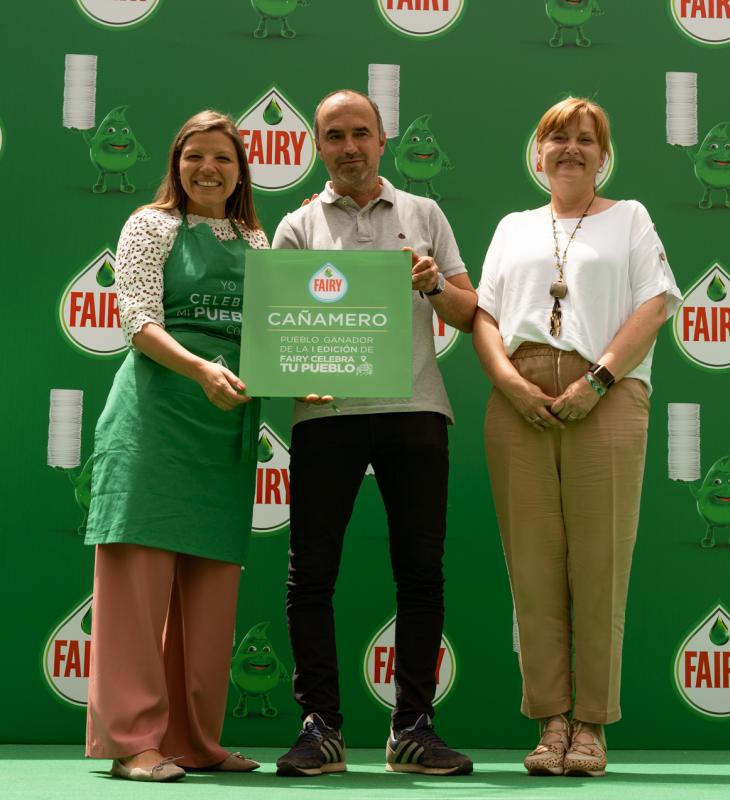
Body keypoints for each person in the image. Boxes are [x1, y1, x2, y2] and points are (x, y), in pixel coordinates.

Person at [472, 97, 681, 777]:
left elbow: (656, 303)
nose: (570, 149)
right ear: (538, 153)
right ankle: (550, 723)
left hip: (606, 394)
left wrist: (599, 379)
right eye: (557, 137)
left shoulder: (630, 218)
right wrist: (510, 384)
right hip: (520, 400)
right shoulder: (512, 227)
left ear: (603, 155)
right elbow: (485, 317)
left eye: (585, 139)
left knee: (599, 566)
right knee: (532, 571)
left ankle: (591, 725)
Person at [271, 89, 478, 777]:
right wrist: (291, 374)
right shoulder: (297, 226)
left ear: (383, 140)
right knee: (310, 576)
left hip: (415, 407)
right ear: (317, 147)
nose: (349, 147)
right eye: (334, 136)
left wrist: (433, 285)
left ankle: (413, 727)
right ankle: (319, 727)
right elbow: (278, 331)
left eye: (361, 133)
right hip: (325, 415)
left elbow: (470, 309)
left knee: (420, 573)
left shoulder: (425, 213)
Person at [82, 110, 267, 782]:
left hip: (225, 422)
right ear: (176, 164)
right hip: (155, 418)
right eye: (195, 157)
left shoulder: (256, 239)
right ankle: (134, 743)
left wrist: (305, 375)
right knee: (136, 589)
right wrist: (200, 369)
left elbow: (278, 332)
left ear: (241, 171)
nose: (207, 169)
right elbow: (137, 320)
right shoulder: (150, 225)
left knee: (210, 594)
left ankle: (193, 741)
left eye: (222, 158)